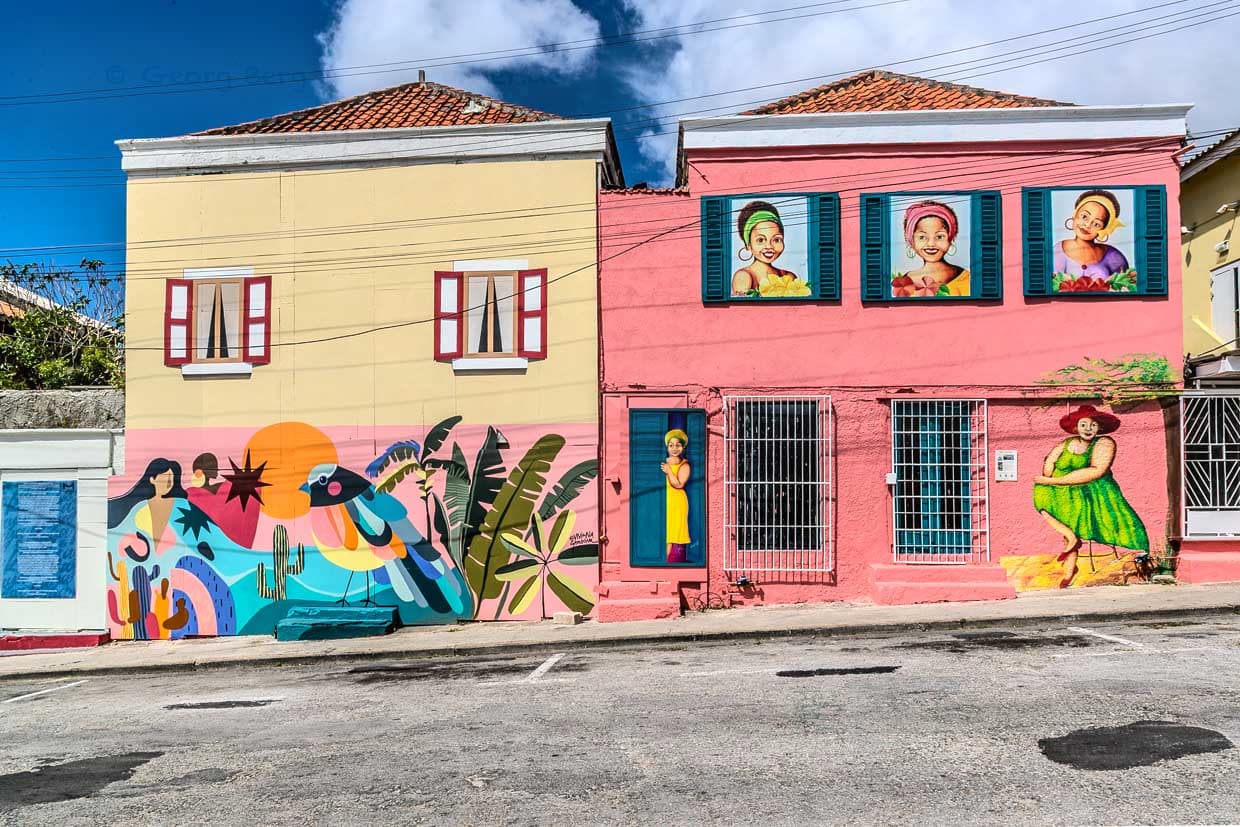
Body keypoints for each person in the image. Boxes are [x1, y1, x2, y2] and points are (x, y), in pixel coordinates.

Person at [1033, 405, 1149, 588]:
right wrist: (1049, 472)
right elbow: (1049, 463)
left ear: (1099, 427)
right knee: (1042, 496)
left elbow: (1096, 471)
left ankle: (1071, 566)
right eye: (1083, 424)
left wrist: (1054, 481)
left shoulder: (1104, 443)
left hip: (1093, 492)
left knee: (1115, 525)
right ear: (1076, 427)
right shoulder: (1066, 443)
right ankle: (1070, 552)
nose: (1088, 429)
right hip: (1066, 491)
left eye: (1093, 425)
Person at [893, 200, 970, 297]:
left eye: (939, 237)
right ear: (911, 241)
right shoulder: (904, 283)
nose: (931, 244)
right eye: (922, 237)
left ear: (950, 239)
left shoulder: (966, 279)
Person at [731, 201, 809, 297]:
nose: (769, 246)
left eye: (776, 240)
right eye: (760, 240)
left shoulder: (789, 277)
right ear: (748, 245)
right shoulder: (744, 277)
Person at [1054, 189, 1130, 281]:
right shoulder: (1058, 250)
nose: (1087, 225)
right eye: (1084, 217)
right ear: (1075, 215)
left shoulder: (1114, 256)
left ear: (1104, 229)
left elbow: (1126, 283)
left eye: (1096, 224)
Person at [661, 429, 691, 563]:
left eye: (678, 445)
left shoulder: (684, 465)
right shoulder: (663, 461)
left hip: (677, 501)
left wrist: (669, 471)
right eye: (671, 445)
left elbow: (679, 484)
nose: (674, 448)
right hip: (664, 499)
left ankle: (670, 562)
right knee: (664, 530)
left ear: (683, 447)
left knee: (674, 532)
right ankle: (664, 561)